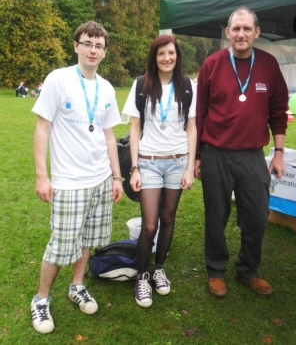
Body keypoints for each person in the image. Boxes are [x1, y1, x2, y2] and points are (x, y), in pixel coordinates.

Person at [30, 21, 124, 334]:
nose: (93, 50)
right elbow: (42, 129)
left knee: (88, 241)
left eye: (99, 46)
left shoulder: (107, 87)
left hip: (100, 180)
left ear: (104, 51)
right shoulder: (58, 79)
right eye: (87, 43)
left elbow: (110, 137)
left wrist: (117, 177)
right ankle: (41, 299)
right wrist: (42, 177)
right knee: (60, 246)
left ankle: (77, 286)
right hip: (69, 182)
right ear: (76, 46)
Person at [195, 7, 288, 298]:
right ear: (228, 33)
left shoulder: (270, 65)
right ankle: (216, 271)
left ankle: (248, 270)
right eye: (236, 29)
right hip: (215, 154)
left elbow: (278, 112)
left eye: (247, 29)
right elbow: (200, 113)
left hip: (252, 155)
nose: (241, 34)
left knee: (257, 217)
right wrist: (198, 155)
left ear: (257, 33)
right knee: (216, 217)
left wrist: (280, 152)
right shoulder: (212, 64)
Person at [122, 35, 197, 307]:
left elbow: (192, 128)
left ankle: (159, 269)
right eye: (161, 54)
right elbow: (134, 127)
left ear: (177, 56)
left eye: (171, 53)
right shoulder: (141, 84)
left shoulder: (188, 85)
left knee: (168, 219)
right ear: (154, 57)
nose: (167, 58)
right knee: (150, 223)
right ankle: (142, 278)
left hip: (177, 162)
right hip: (149, 162)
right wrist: (134, 168)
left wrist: (189, 167)